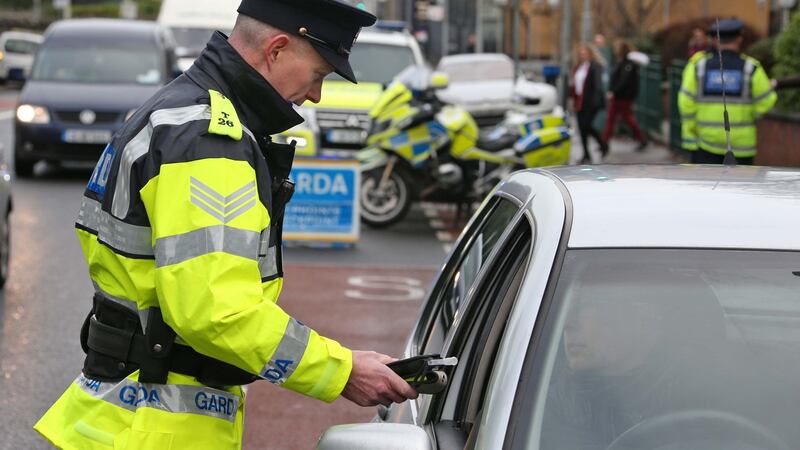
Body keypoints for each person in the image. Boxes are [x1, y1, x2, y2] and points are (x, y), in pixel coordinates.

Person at [33, 1, 418, 448]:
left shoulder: (178, 109)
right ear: (276, 49)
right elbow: (216, 312)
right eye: (319, 74)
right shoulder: (210, 142)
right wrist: (341, 371)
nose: (316, 95)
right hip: (158, 426)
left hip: (121, 412)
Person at [540, 267, 727, 449]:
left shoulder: (703, 398)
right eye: (569, 306)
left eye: (589, 305)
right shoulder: (544, 409)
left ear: (644, 318)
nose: (568, 322)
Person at [678, 18, 776, 165]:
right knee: (738, 188)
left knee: (706, 188)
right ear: (739, 39)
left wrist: (693, 130)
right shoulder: (752, 68)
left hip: (704, 145)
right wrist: (750, 114)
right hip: (741, 148)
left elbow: (685, 102)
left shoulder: (698, 66)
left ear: (716, 40)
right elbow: (766, 102)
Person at [602, 39, 648, 152]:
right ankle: (604, 142)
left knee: (620, 118)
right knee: (618, 118)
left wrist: (613, 91)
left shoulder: (627, 64)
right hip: (621, 96)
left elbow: (624, 81)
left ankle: (604, 142)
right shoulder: (623, 62)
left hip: (622, 97)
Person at [571, 43, 608, 164]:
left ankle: (603, 144)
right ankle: (586, 154)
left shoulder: (595, 66)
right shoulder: (579, 66)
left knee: (587, 126)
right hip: (579, 101)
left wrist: (596, 102)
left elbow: (598, 86)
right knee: (581, 128)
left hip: (590, 102)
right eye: (581, 52)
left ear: (590, 53)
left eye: (585, 52)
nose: (582, 54)